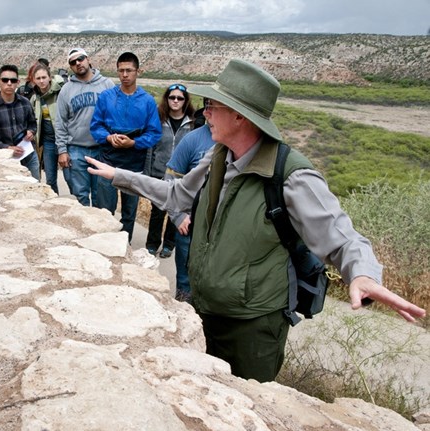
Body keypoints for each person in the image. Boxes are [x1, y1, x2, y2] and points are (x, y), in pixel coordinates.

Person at [85, 58, 426, 382]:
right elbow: (177, 196)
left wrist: (362, 274)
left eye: (213, 106)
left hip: (252, 327)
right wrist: (120, 175)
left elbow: (343, 237)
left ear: (240, 117)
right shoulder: (217, 156)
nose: (205, 112)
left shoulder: (291, 176)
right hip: (206, 313)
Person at [90, 52, 162, 241]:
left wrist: (134, 142)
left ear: (138, 72)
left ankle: (124, 246)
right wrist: (108, 137)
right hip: (108, 162)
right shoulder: (106, 97)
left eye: (129, 70)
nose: (124, 75)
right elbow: (95, 126)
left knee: (129, 213)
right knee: (105, 211)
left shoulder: (147, 101)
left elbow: (154, 133)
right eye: (121, 70)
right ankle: (104, 244)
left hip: (134, 166)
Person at [164, 97, 216, 303]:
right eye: (209, 106)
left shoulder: (241, 142)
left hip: (222, 232)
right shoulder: (192, 140)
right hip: (191, 227)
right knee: (186, 285)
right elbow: (170, 180)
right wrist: (177, 216)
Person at [55, 48, 115, 206]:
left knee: (100, 195)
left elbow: (117, 114)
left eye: (80, 59)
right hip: (76, 149)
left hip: (102, 149)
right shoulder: (66, 90)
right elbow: (60, 122)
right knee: (80, 195)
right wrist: (62, 150)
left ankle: (99, 230)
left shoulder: (107, 84)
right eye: (73, 62)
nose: (77, 63)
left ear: (88, 59)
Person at [143, 83, 195, 258]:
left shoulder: (192, 124)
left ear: (185, 101)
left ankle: (169, 245)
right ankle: (152, 244)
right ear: (167, 99)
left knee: (176, 212)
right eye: (172, 97)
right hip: (159, 172)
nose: (175, 101)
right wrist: (147, 172)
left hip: (181, 176)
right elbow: (150, 148)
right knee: (157, 211)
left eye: (180, 98)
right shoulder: (158, 120)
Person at [0, 64, 40, 180]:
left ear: (18, 82)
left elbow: (33, 123)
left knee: (35, 189)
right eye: (5, 80)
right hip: (6, 160)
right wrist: (7, 148)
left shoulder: (25, 103)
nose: (9, 83)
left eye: (13, 80)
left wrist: (31, 132)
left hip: (29, 156)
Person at [29, 62, 72, 194]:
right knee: (50, 179)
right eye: (38, 78)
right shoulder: (35, 98)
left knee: (71, 178)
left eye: (44, 77)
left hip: (65, 141)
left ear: (50, 77)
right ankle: (54, 204)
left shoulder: (61, 92)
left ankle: (79, 206)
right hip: (48, 143)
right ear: (33, 80)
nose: (41, 81)